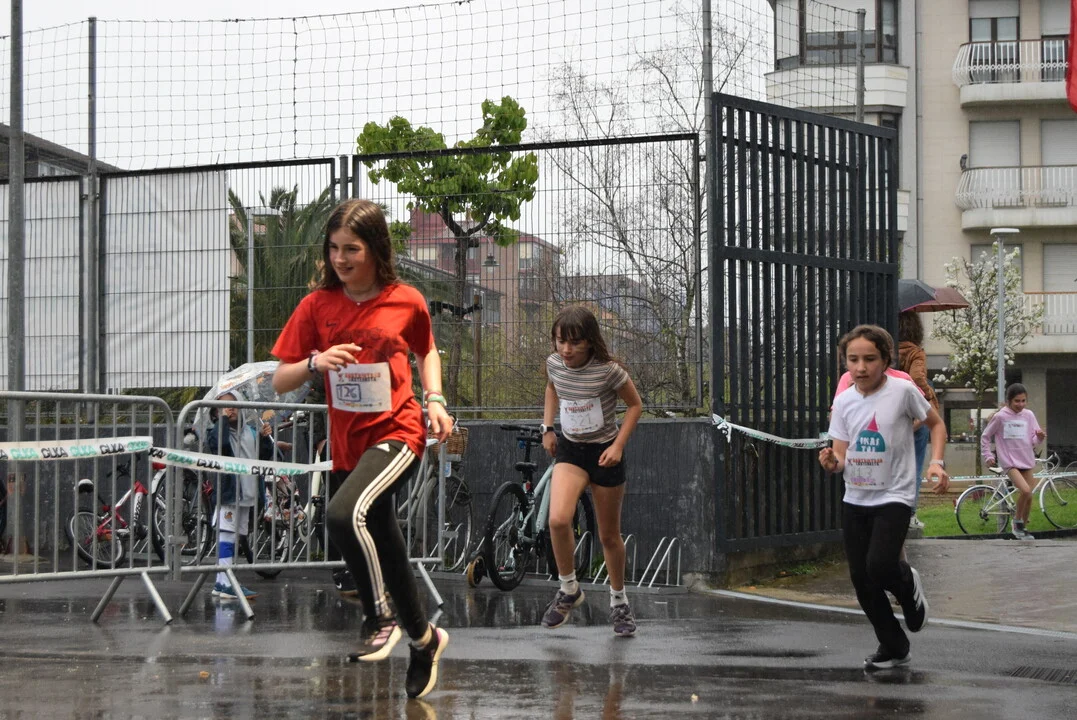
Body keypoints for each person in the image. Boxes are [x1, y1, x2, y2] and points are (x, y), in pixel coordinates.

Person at [271, 198, 452, 700]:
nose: (340, 259)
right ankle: (425, 640)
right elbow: (281, 379)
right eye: (333, 249)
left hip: (398, 431)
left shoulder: (406, 300)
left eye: (351, 249)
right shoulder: (316, 306)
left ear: (375, 249)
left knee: (342, 514)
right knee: (386, 544)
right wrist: (315, 362)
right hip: (348, 445)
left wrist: (435, 398)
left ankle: (380, 618)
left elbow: (427, 349)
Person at [818, 324, 949, 671]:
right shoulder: (844, 402)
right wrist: (832, 462)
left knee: (879, 565)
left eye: (870, 359)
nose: (861, 367)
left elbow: (936, 424)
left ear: (886, 359)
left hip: (895, 493)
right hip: (856, 496)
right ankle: (895, 646)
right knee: (861, 580)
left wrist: (936, 463)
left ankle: (907, 584)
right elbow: (840, 455)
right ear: (845, 362)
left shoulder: (902, 391)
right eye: (853, 360)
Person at [539, 305, 643, 637]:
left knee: (608, 535)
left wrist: (618, 446)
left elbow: (635, 405)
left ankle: (619, 601)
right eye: (560, 341)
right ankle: (568, 588)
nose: (566, 350)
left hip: (604, 453)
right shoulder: (554, 364)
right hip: (571, 450)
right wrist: (547, 428)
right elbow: (552, 388)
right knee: (558, 519)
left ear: (589, 341)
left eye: (574, 343)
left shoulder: (609, 371)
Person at [204, 392, 275, 600]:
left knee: (235, 535)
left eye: (234, 404)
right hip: (228, 494)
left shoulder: (250, 432)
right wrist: (223, 421)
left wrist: (264, 439)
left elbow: (262, 457)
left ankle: (222, 581)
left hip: (248, 493)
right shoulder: (216, 431)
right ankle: (226, 583)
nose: (230, 408)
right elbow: (221, 445)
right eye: (223, 406)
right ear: (215, 412)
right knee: (226, 533)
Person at [980, 383, 1046, 540]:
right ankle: (1016, 523)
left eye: (1023, 401)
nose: (1021, 404)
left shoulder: (1029, 415)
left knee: (1029, 496)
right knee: (1026, 490)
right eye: (1017, 401)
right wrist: (988, 456)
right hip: (1009, 462)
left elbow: (1033, 440)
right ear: (1009, 401)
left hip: (1026, 460)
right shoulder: (1000, 417)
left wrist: (1039, 437)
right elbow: (985, 436)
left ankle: (1023, 529)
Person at [897, 311, 940, 531]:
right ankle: (910, 513)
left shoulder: (885, 351)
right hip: (914, 415)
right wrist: (929, 396)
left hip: (892, 413)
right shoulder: (915, 352)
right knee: (914, 463)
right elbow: (917, 378)